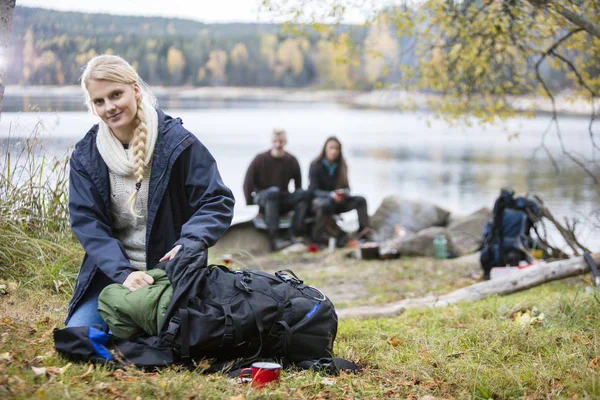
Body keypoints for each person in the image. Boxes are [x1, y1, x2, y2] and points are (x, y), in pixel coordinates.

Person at [66, 55, 234, 329]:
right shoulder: (86, 156)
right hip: (113, 274)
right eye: (99, 101)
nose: (109, 107)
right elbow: (88, 224)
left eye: (116, 94)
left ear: (135, 89)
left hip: (170, 274)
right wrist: (123, 274)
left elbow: (216, 200)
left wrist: (189, 242)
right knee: (79, 333)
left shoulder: (178, 143)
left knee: (171, 338)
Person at [243, 128, 309, 250]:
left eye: (281, 141)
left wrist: (295, 203)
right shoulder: (260, 158)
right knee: (273, 192)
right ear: (271, 141)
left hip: (281, 197)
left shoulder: (291, 160)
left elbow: (298, 187)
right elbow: (247, 184)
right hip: (263, 197)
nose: (278, 144)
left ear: (286, 142)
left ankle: (293, 234)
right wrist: (251, 206)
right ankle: (274, 238)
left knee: (303, 194)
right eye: (275, 141)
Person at [308, 136, 372, 245]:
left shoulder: (342, 165)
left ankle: (363, 235)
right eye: (331, 148)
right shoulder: (315, 165)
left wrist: (344, 194)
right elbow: (313, 190)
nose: (334, 151)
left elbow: (347, 187)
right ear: (325, 149)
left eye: (336, 148)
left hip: (339, 201)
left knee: (361, 200)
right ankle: (317, 238)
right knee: (326, 205)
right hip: (321, 202)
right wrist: (330, 195)